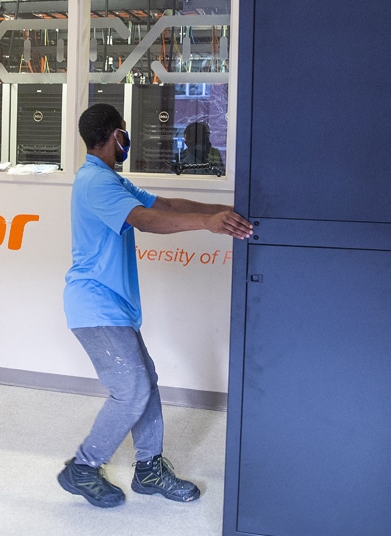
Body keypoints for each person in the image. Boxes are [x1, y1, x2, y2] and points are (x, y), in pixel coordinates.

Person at [57, 103, 253, 508]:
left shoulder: (110, 179)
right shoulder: (95, 182)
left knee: (145, 385)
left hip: (113, 307)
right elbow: (144, 221)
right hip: (94, 306)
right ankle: (83, 467)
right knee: (130, 390)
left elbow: (161, 205)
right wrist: (206, 224)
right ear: (116, 135)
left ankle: (148, 469)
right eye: (124, 133)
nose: (125, 140)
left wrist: (217, 212)